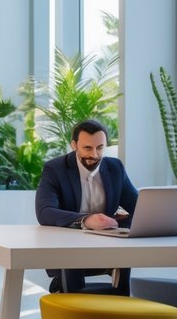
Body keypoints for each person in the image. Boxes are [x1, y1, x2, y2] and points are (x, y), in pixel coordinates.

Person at [35, 119, 138, 295]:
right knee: (72, 278)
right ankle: (71, 304)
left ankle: (121, 308)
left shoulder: (115, 168)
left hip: (108, 245)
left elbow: (135, 207)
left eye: (100, 147)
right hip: (67, 247)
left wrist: (117, 221)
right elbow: (45, 212)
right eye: (87, 148)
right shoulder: (55, 168)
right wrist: (86, 220)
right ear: (74, 145)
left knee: (125, 258)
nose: (95, 155)